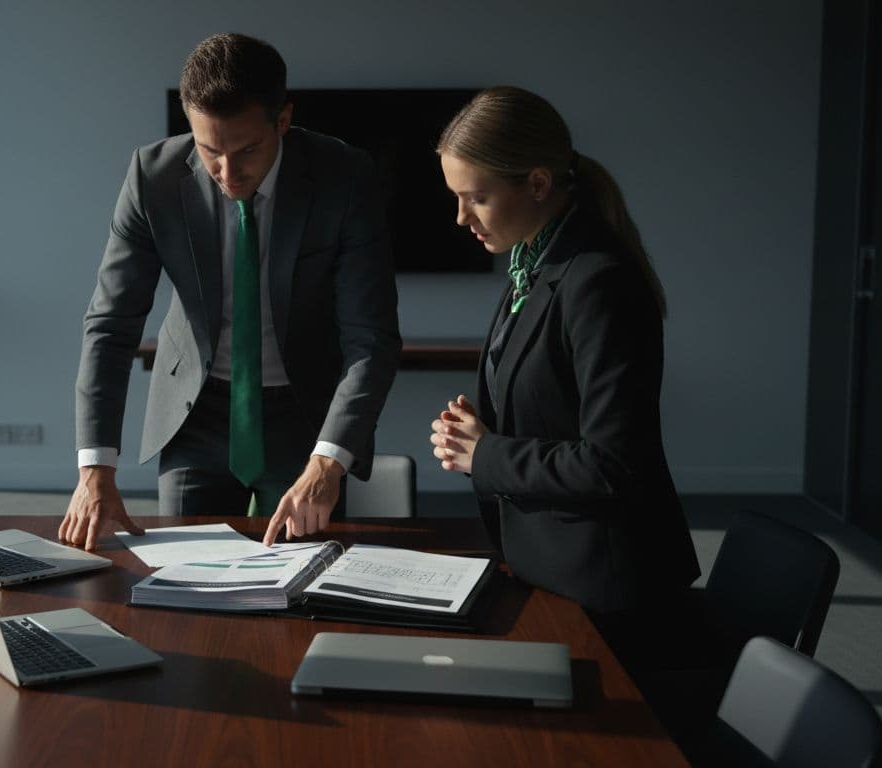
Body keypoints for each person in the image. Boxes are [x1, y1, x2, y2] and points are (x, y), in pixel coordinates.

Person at [61, 33, 400, 551]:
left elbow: (370, 339)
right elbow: (111, 324)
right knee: (182, 584)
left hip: (305, 415)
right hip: (195, 413)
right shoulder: (152, 178)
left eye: (246, 151)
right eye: (209, 149)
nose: (227, 172)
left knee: (307, 580)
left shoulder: (344, 177)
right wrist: (94, 467)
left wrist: (328, 460)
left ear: (283, 121)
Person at [428, 86, 699, 640]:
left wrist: (486, 454)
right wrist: (480, 433)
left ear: (537, 183)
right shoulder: (534, 263)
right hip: (548, 570)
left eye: (475, 198)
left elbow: (614, 465)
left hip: (608, 596)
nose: (460, 218)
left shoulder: (598, 280)